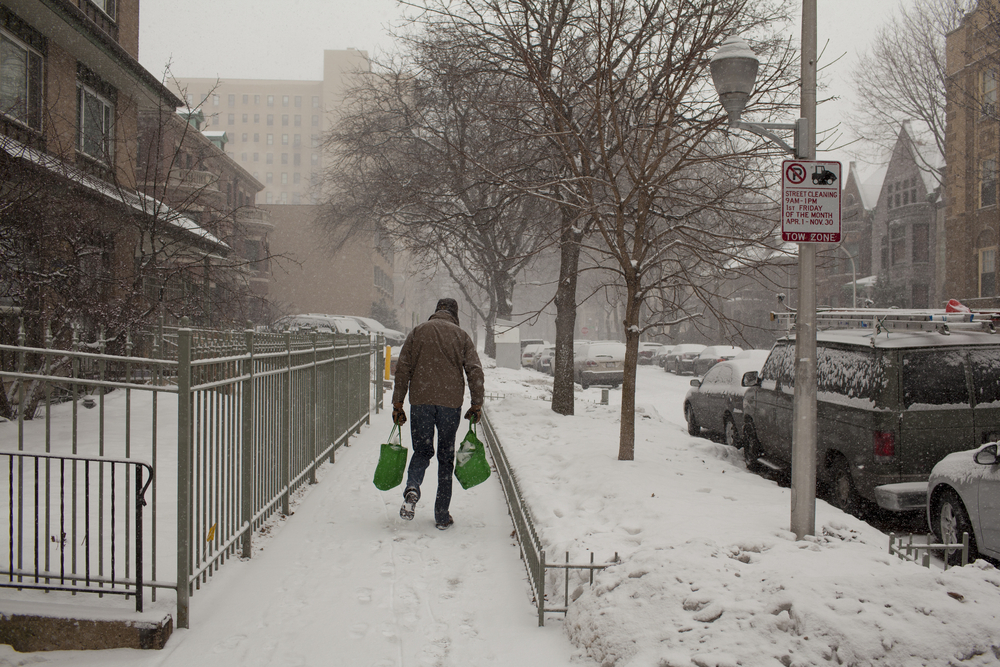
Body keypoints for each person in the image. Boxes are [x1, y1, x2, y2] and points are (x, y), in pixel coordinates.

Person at [391, 298, 484, 530]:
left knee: (422, 451)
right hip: (450, 405)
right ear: (455, 314)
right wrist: (476, 403)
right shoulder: (461, 336)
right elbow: (474, 370)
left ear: (436, 311)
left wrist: (398, 402)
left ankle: (412, 486)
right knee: (445, 457)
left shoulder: (417, 332)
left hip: (421, 401)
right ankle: (442, 515)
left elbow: (403, 368)